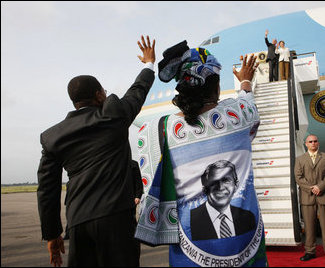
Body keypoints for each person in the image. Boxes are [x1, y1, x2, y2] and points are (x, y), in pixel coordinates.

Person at [135, 41, 267, 267]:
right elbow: (246, 97)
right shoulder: (240, 115)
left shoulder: (158, 130)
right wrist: (245, 80)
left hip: (189, 252)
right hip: (246, 247)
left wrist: (148, 64)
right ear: (216, 88)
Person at [37, 35, 156, 267]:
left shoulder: (53, 137)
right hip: (117, 221)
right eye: (103, 90)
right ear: (99, 95)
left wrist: (52, 234)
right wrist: (148, 63)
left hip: (79, 221)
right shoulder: (113, 115)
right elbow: (137, 91)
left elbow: (47, 190)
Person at [294, 134, 325, 264]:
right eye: (310, 141)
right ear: (306, 144)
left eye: (315, 141)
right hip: (307, 197)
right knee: (309, 227)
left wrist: (319, 187)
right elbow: (298, 177)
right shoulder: (300, 159)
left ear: (318, 143)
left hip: (324, 196)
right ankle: (310, 251)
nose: (313, 143)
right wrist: (312, 188)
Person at [190, 160, 256, 241]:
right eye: (214, 182)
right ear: (204, 189)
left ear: (236, 186)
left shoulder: (248, 218)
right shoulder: (191, 219)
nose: (220, 187)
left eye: (226, 180)